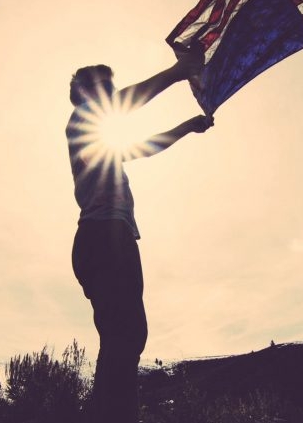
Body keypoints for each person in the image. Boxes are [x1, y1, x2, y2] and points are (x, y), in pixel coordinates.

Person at [67, 54, 213, 423]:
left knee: (120, 338)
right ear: (87, 94)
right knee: (127, 335)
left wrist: (185, 127)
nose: (111, 96)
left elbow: (142, 147)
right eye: (105, 90)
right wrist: (177, 73)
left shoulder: (101, 149)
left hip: (101, 239)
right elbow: (125, 104)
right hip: (105, 237)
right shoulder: (81, 121)